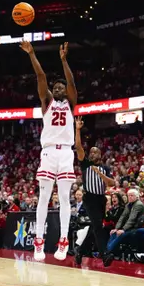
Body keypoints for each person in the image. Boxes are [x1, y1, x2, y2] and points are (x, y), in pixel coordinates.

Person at [20, 41, 77, 261]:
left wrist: (64, 60)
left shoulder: (71, 103)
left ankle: (63, 240)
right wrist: (32, 54)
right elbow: (41, 77)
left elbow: (71, 81)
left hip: (66, 153)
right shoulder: (47, 102)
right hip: (49, 152)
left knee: (64, 197)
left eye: (61, 88)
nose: (58, 89)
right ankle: (39, 240)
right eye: (56, 88)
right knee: (44, 197)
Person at [73, 116, 112, 265]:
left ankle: (80, 251)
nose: (92, 154)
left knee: (96, 227)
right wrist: (77, 130)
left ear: (100, 155)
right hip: (89, 198)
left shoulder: (105, 168)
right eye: (91, 152)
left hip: (101, 199)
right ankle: (105, 255)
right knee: (97, 226)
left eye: (96, 152)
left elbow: (110, 184)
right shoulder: (86, 164)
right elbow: (78, 147)